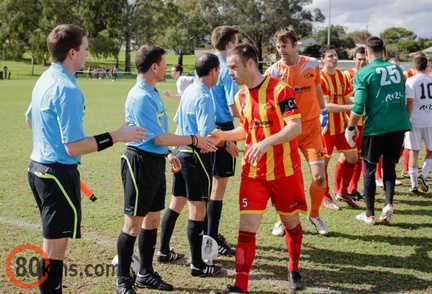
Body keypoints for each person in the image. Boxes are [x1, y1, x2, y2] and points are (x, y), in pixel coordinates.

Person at [26, 24, 148, 294]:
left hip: (37, 170)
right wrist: (117, 135)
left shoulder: (45, 78)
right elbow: (73, 147)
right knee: (54, 251)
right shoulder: (67, 89)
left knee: (50, 245)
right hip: (56, 175)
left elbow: (29, 118)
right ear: (72, 53)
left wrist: (48, 146)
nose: (87, 53)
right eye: (85, 49)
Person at [115, 45, 218, 293]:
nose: (166, 68)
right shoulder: (140, 96)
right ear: (153, 67)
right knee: (132, 225)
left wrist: (169, 154)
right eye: (163, 63)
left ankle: (145, 273)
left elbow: (158, 138)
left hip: (155, 162)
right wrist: (193, 139)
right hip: (139, 162)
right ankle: (123, 281)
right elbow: (159, 137)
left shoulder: (153, 92)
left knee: (152, 219)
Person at [210, 43, 307, 294]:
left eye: (233, 67)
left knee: (291, 225)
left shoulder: (281, 90)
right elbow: (248, 129)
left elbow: (295, 127)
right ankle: (240, 286)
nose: (228, 72)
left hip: (285, 171)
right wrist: (222, 135)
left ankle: (293, 266)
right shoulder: (240, 96)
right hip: (253, 173)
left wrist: (266, 142)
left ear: (250, 63)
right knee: (246, 229)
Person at [157, 53, 223, 278]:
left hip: (179, 152)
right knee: (197, 210)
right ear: (213, 71)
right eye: (218, 71)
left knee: (176, 204)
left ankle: (163, 251)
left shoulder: (189, 91)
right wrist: (226, 142)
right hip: (194, 157)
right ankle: (198, 265)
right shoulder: (205, 96)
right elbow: (204, 139)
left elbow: (179, 124)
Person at [266, 26, 329, 236]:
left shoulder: (312, 64)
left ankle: (315, 215)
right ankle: (280, 220)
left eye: (284, 46)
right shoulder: (273, 71)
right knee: (283, 179)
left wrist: (324, 111)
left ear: (295, 45)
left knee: (319, 176)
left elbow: (317, 87)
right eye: (278, 46)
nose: (281, 50)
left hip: (311, 129)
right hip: (287, 131)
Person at [345, 36, 410, 225]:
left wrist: (350, 127)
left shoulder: (363, 73)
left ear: (366, 53)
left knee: (370, 168)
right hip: (398, 125)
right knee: (389, 166)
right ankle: (388, 204)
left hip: (376, 127)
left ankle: (370, 214)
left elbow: (358, 106)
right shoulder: (398, 70)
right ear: (384, 52)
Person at [206, 25, 240, 254]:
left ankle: (207, 233)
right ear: (229, 45)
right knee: (218, 188)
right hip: (224, 129)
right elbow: (234, 108)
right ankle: (211, 238)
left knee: (208, 186)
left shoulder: (206, 63)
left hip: (204, 130)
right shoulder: (226, 69)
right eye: (236, 42)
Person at [319, 45, 359, 209]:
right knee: (324, 163)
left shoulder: (342, 76)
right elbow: (326, 106)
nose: (334, 59)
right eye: (330, 56)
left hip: (342, 126)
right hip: (325, 127)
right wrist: (351, 109)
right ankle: (326, 196)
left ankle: (342, 192)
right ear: (322, 59)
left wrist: (353, 121)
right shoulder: (320, 79)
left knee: (353, 158)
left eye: (335, 56)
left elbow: (348, 99)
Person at [342, 47, 367, 201]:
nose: (362, 61)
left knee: (360, 157)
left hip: (367, 122)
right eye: (359, 58)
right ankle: (341, 190)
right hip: (351, 121)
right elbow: (345, 98)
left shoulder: (369, 74)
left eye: (364, 58)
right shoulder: (347, 75)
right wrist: (360, 101)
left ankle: (353, 189)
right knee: (346, 157)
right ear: (354, 59)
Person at [404, 55, 432, 193]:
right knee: (431, 151)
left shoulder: (411, 80)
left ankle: (414, 185)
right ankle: (424, 174)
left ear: (414, 67)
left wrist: (407, 119)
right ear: (427, 66)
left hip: (414, 120)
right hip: (430, 120)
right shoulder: (431, 80)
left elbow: (409, 101)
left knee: (413, 152)